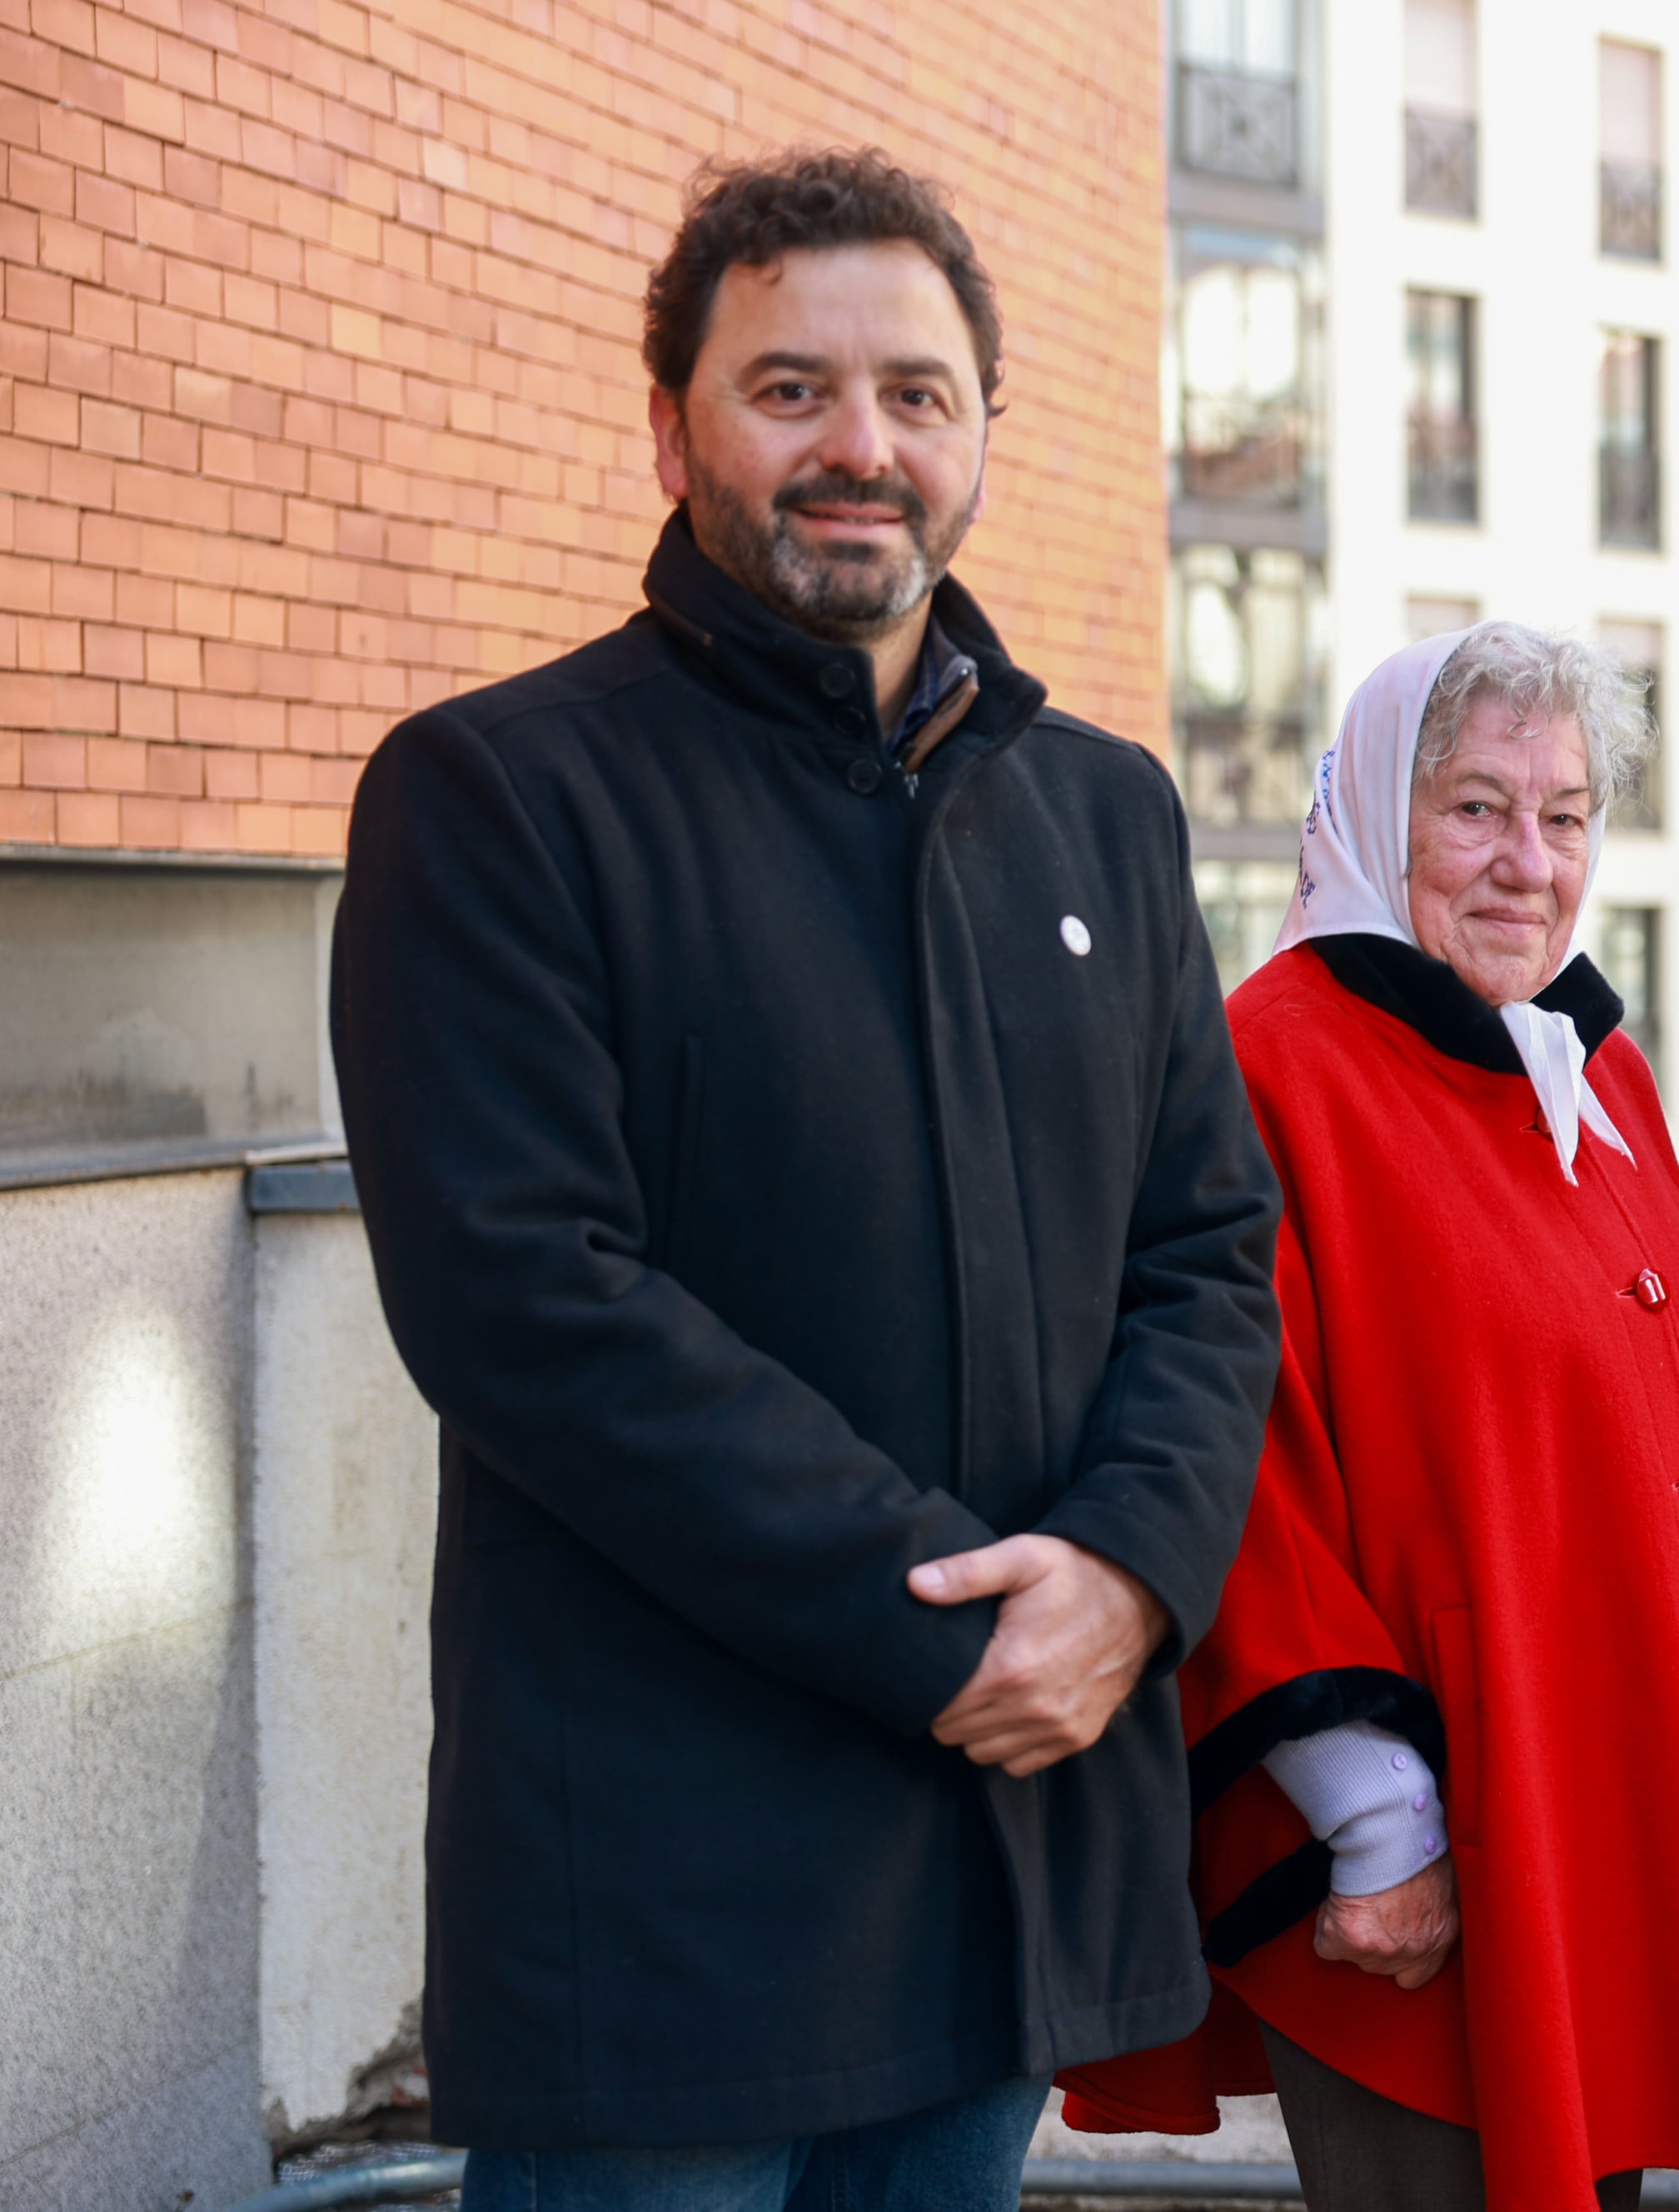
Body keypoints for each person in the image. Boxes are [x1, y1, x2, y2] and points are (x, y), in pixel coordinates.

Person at [330, 150, 1283, 2210]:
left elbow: (1207, 1248)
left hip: (1000, 1852)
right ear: (669, 425)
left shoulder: (1106, 813)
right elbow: (529, 1303)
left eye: (917, 395)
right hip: (668, 1882)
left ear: (980, 444)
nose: (862, 445)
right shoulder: (498, 794)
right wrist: (947, 1620)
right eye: (791, 389)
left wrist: (1127, 1575)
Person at [1054, 623, 1679, 2211]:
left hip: (1611, 1814)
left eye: (1569, 815)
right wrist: (1373, 1817)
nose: (1530, 863)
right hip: (1434, 1843)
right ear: (1381, 810)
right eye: (1475, 809)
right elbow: (1225, 1470)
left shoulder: (1591, 1072)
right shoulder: (1271, 1066)